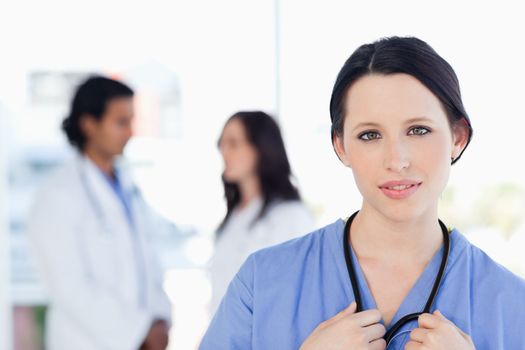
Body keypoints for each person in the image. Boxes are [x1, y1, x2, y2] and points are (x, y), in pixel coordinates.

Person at [199, 37, 525, 349]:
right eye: (370, 135)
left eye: (419, 130)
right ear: (340, 146)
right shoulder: (261, 283)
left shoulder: (512, 305)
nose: (396, 160)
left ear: (458, 137)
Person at [28, 76, 171, 350]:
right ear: (89, 125)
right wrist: (139, 330)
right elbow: (69, 286)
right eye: (121, 122)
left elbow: (149, 264)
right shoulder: (58, 194)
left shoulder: (129, 187)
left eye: (131, 121)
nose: (131, 132)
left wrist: (159, 320)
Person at [209, 111, 315, 314]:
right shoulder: (234, 216)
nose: (224, 151)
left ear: (260, 148)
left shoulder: (290, 217)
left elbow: (296, 298)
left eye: (233, 143)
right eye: (221, 143)